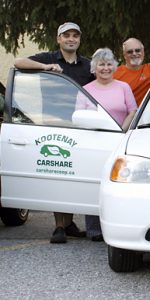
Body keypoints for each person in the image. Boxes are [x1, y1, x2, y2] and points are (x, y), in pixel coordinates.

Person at [14, 22, 92, 244]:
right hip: (52, 126)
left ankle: (69, 223)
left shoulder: (88, 66)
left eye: (75, 35)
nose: (71, 39)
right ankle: (59, 226)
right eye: (66, 35)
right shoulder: (47, 58)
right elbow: (18, 62)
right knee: (59, 174)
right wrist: (46, 69)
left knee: (75, 175)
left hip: (81, 127)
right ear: (59, 39)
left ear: (79, 40)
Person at [76, 48, 137, 241]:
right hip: (93, 143)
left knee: (120, 184)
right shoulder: (86, 90)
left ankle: (122, 227)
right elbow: (79, 117)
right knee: (95, 184)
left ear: (114, 66)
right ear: (94, 67)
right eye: (101, 64)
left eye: (109, 64)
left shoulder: (123, 87)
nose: (105, 68)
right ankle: (94, 230)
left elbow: (132, 111)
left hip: (119, 140)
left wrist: (120, 130)